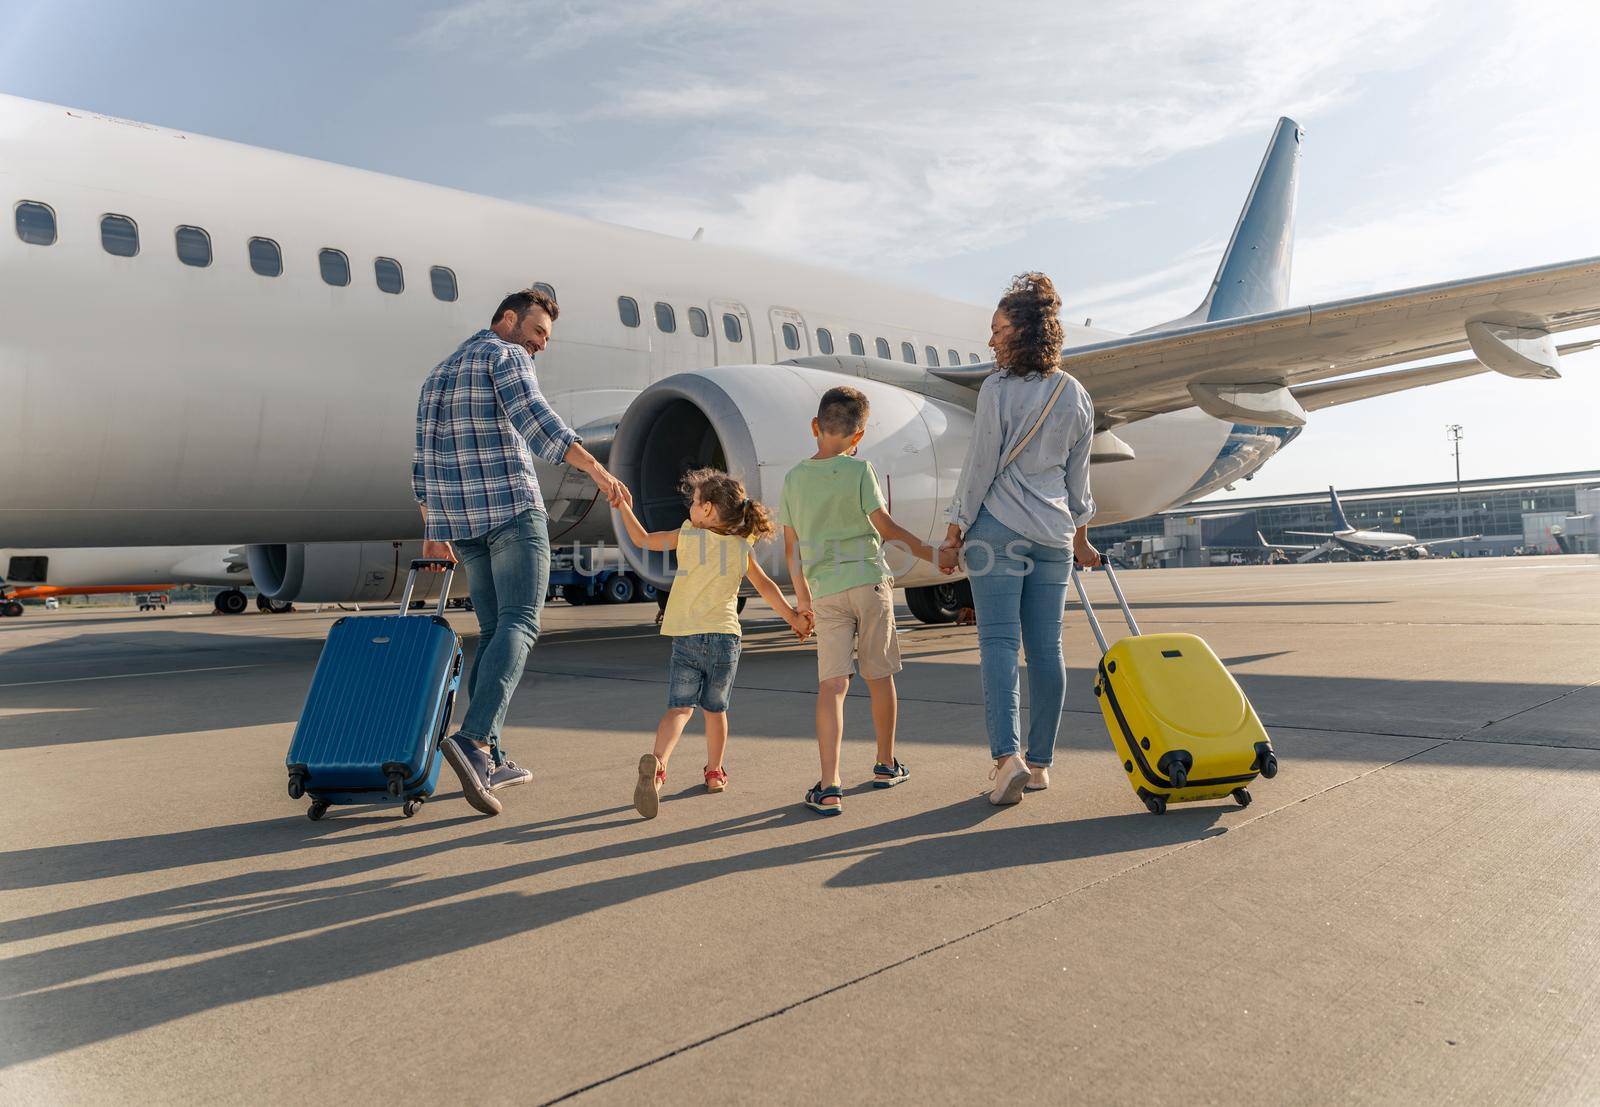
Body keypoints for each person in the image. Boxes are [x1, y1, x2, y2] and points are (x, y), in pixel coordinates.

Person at [412, 287, 627, 817]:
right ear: (507, 320)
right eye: (538, 332)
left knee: (494, 630)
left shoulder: (437, 375)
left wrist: (433, 528)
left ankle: (492, 753)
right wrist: (597, 469)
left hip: (465, 526)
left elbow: (423, 462)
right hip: (510, 511)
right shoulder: (503, 355)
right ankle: (475, 740)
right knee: (522, 623)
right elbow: (536, 420)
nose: (541, 345)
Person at [938, 272, 1100, 806]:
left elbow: (980, 464)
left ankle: (1006, 759)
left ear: (1023, 332)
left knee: (999, 646)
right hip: (1054, 536)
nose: (991, 339)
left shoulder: (997, 389)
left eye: (998, 329)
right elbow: (1080, 482)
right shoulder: (1076, 393)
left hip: (999, 532)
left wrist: (954, 528)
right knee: (1047, 651)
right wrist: (1081, 538)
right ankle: (1041, 763)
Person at [780, 386, 940, 816]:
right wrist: (931, 553)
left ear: (815, 427)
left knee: (832, 685)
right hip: (869, 583)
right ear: (859, 436)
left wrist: (802, 604)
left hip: (826, 592)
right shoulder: (860, 470)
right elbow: (884, 527)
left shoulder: (793, 479)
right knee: (879, 676)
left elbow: (791, 550)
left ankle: (830, 786)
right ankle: (886, 764)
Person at [616, 468, 811, 819]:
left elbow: (643, 539)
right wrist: (794, 618)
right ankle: (715, 772)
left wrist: (624, 507)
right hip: (723, 638)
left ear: (707, 510)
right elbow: (766, 586)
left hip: (687, 636)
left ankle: (658, 767)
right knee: (715, 711)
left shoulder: (689, 535)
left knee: (679, 709)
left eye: (693, 502)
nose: (690, 508)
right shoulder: (740, 547)